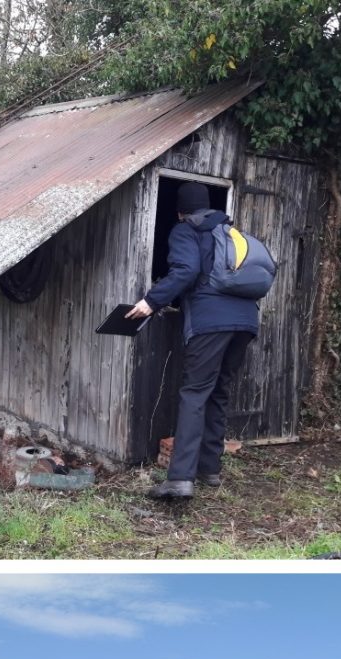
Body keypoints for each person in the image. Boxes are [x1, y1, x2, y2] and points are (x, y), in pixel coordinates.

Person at [126, 182, 259, 500]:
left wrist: (151, 301)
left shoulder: (185, 230)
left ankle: (180, 479)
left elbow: (186, 270)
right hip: (245, 322)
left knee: (195, 393)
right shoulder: (229, 233)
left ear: (180, 211)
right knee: (218, 391)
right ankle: (209, 469)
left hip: (211, 322)